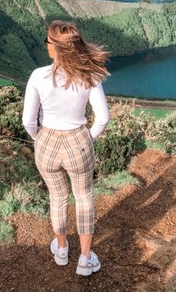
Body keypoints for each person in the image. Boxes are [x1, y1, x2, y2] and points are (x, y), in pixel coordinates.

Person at [22, 20, 110, 276]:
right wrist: (87, 139)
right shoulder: (90, 75)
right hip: (77, 140)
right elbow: (102, 118)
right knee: (83, 198)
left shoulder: (38, 76)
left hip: (47, 140)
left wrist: (39, 138)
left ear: (57, 47)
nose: (46, 45)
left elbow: (28, 120)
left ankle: (61, 249)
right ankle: (85, 259)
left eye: (48, 42)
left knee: (57, 197)